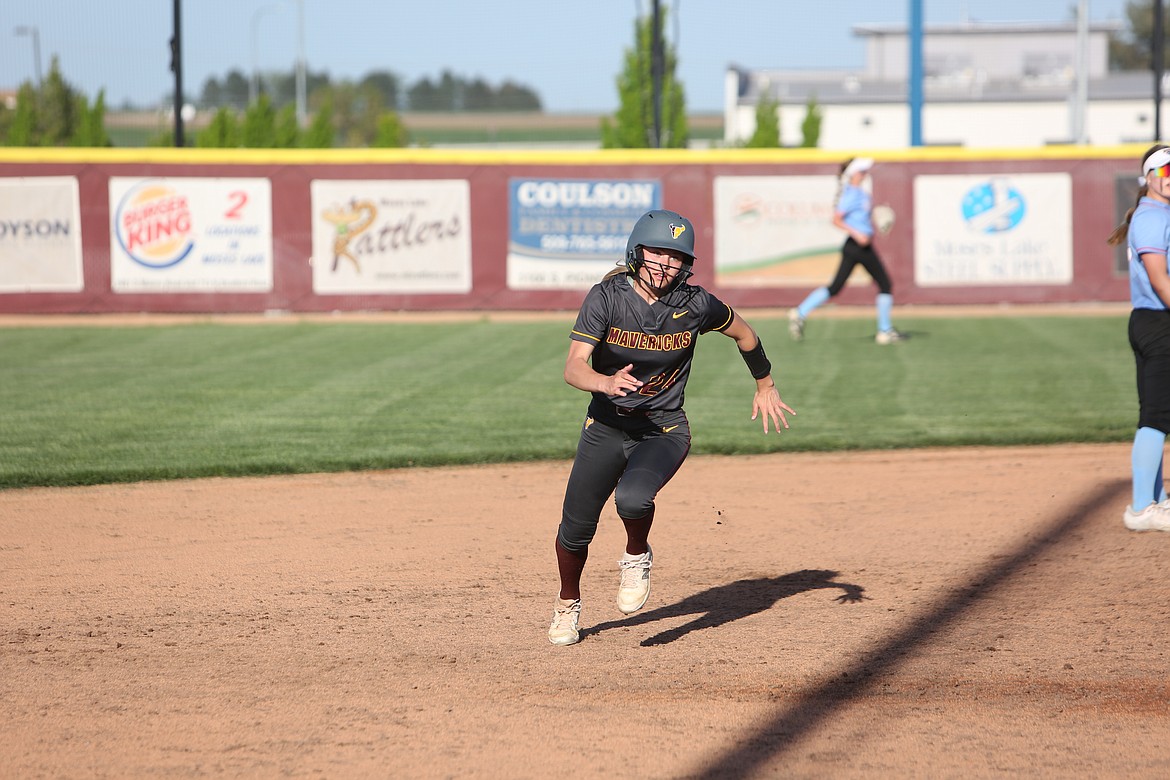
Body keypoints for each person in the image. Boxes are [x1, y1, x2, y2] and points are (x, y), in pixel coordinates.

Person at [547, 208, 796, 647]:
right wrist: (605, 383)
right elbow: (572, 368)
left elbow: (746, 335)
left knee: (633, 496)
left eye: (677, 257)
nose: (666, 264)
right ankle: (568, 605)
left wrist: (765, 383)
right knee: (575, 529)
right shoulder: (606, 297)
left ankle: (636, 556)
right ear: (636, 252)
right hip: (606, 426)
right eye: (658, 252)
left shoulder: (695, 304)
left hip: (663, 429)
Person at [1108, 143, 1170, 532]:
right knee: (1156, 416)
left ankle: (1157, 500)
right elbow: (1159, 278)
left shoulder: (1157, 213)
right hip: (1158, 322)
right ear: (1147, 178)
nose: (1169, 179)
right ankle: (1141, 507)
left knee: (1160, 412)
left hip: (1153, 322)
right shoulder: (1151, 218)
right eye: (1163, 172)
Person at [788, 157, 905, 345]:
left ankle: (800, 312)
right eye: (862, 171)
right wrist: (858, 233)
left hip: (859, 247)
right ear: (854, 174)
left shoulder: (859, 193)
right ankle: (884, 331)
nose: (865, 174)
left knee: (836, 287)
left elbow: (858, 216)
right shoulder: (851, 193)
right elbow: (836, 218)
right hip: (857, 246)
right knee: (885, 284)